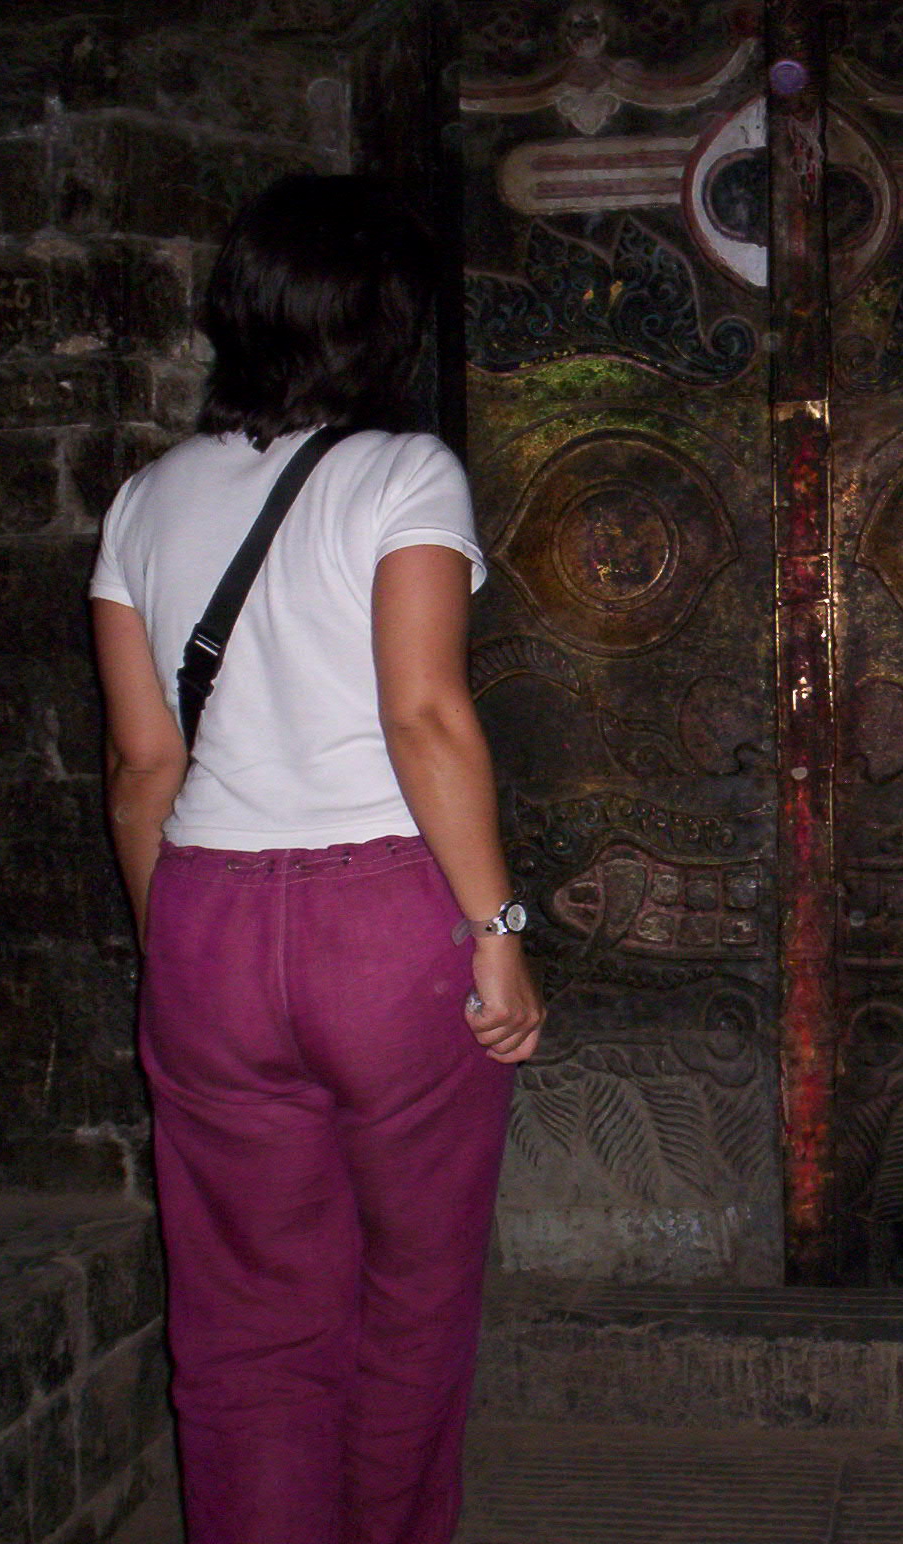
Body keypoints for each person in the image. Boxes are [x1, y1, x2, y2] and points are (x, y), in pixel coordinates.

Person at [88, 173, 543, 1544]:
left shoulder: (144, 501)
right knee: (411, 1298)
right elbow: (424, 715)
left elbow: (143, 769)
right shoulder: (404, 474)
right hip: (384, 927)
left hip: (207, 917)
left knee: (245, 1318)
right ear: (387, 322)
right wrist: (499, 931)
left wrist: (176, 938)